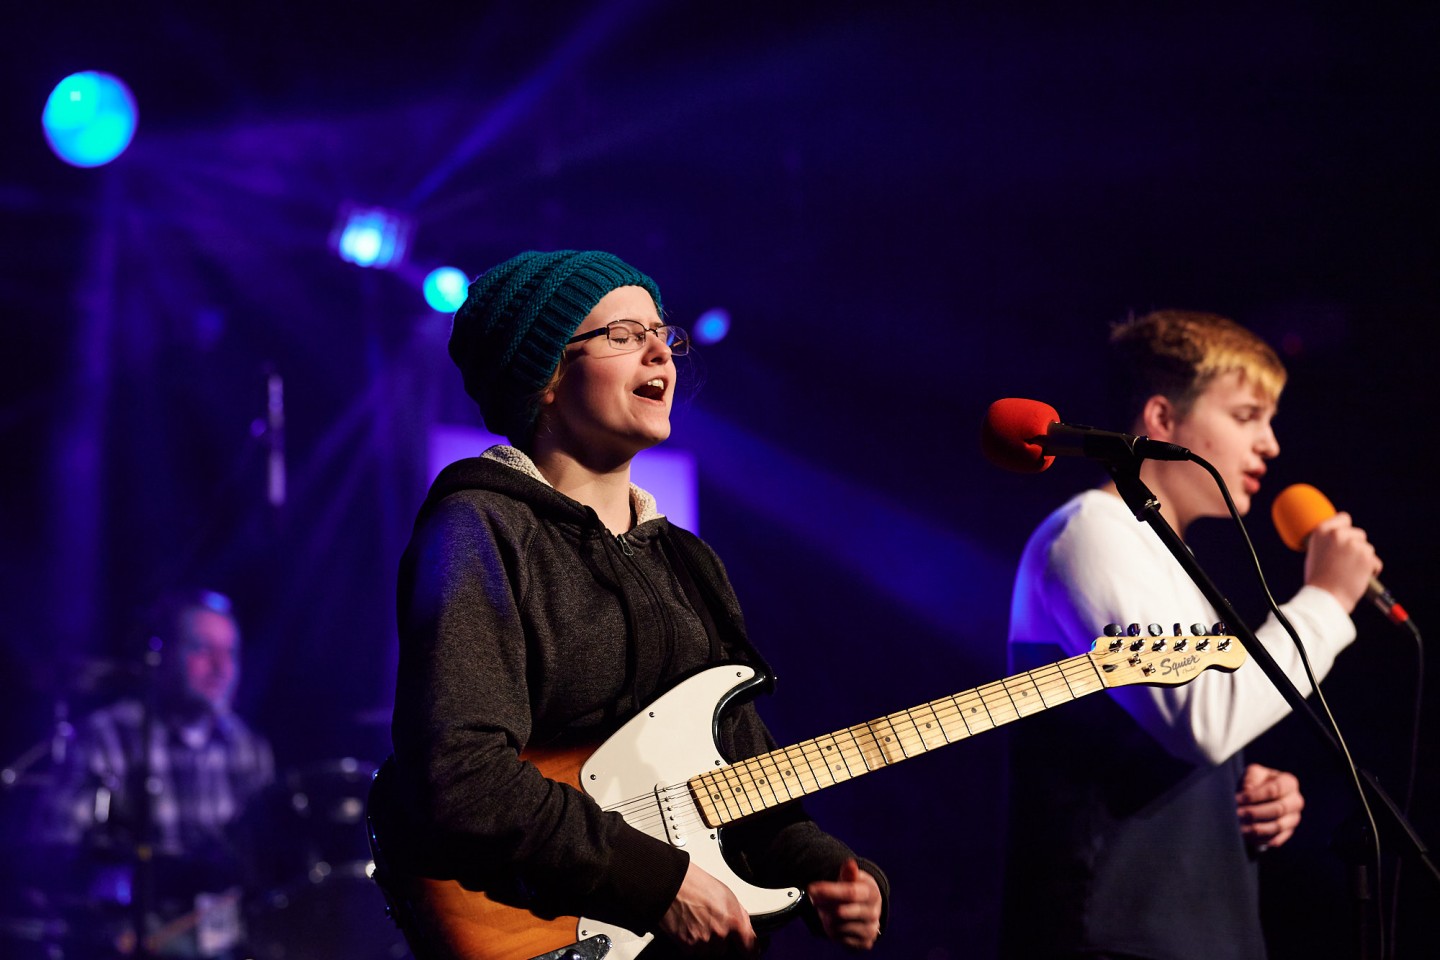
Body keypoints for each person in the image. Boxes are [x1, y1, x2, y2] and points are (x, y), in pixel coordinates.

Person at [381, 249, 887, 958]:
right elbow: (460, 778)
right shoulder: (479, 528)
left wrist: (829, 870)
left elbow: (742, 780)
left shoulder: (689, 562)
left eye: (662, 333)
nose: (660, 352)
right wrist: (654, 882)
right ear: (546, 377)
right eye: (622, 334)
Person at [1000, 310, 1381, 960]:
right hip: (1106, 941)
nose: (1270, 445)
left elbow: (1186, 734)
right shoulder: (1091, 530)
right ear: (1162, 419)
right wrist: (1326, 601)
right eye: (1246, 416)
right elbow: (1202, 721)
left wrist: (1238, 790)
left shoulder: (1170, 560)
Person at [45, 589, 275, 959]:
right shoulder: (109, 736)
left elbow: (267, 867)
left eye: (230, 653)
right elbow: (57, 852)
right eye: (203, 649)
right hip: (138, 938)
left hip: (229, 937)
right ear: (163, 655)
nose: (220, 667)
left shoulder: (248, 748)